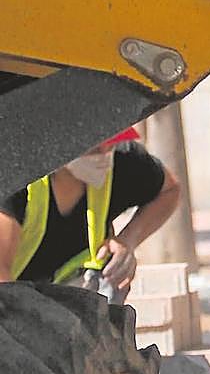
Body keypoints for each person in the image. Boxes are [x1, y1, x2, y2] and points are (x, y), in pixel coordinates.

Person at [0, 128, 182, 302]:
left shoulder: (123, 160)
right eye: (93, 147)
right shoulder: (15, 179)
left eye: (110, 141)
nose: (104, 152)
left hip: (56, 297)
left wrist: (128, 241)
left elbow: (169, 190)